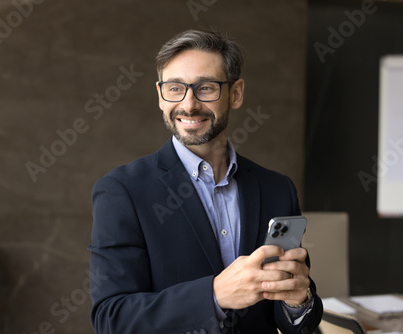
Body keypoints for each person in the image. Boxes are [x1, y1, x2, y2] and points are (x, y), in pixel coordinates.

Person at [88, 29, 323, 334]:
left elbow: (294, 319)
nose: (189, 104)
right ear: (160, 96)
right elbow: (112, 319)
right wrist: (215, 295)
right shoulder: (122, 191)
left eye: (206, 88)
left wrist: (298, 302)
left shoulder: (278, 189)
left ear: (235, 94)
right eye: (175, 89)